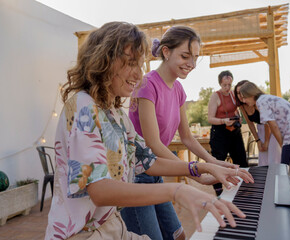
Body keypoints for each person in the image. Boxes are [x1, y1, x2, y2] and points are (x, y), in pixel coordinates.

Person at [44, 21, 254, 240]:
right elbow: (99, 190)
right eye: (131, 63)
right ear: (104, 59)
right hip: (81, 234)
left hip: (111, 225)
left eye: (141, 65)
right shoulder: (83, 106)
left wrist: (203, 169)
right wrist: (177, 190)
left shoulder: (116, 114)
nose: (138, 75)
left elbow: (148, 161)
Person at [123, 26, 246, 240]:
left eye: (195, 57)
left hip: (154, 176)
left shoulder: (179, 90)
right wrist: (195, 173)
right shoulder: (147, 85)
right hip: (134, 179)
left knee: (178, 236)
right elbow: (153, 144)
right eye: (185, 56)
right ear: (166, 52)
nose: (191, 63)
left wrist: (213, 161)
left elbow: (187, 137)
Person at [238, 81, 290, 208]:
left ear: (250, 94)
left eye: (244, 97)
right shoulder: (265, 98)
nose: (244, 101)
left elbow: (273, 126)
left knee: (288, 170)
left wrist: (283, 145)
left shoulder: (261, 102)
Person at [207, 71, 248, 196]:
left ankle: (243, 187)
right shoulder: (215, 96)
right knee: (218, 161)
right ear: (220, 83)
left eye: (229, 84)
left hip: (234, 132)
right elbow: (210, 118)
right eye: (224, 85)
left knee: (241, 159)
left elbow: (237, 109)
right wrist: (223, 121)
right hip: (219, 132)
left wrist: (238, 118)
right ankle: (218, 191)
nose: (227, 88)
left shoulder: (233, 94)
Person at [234, 80, 281, 166]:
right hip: (261, 130)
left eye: (242, 92)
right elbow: (250, 124)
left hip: (272, 129)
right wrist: (258, 141)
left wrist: (266, 141)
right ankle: (265, 179)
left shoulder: (258, 102)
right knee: (263, 160)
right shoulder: (242, 105)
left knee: (274, 159)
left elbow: (268, 123)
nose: (240, 95)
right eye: (238, 93)